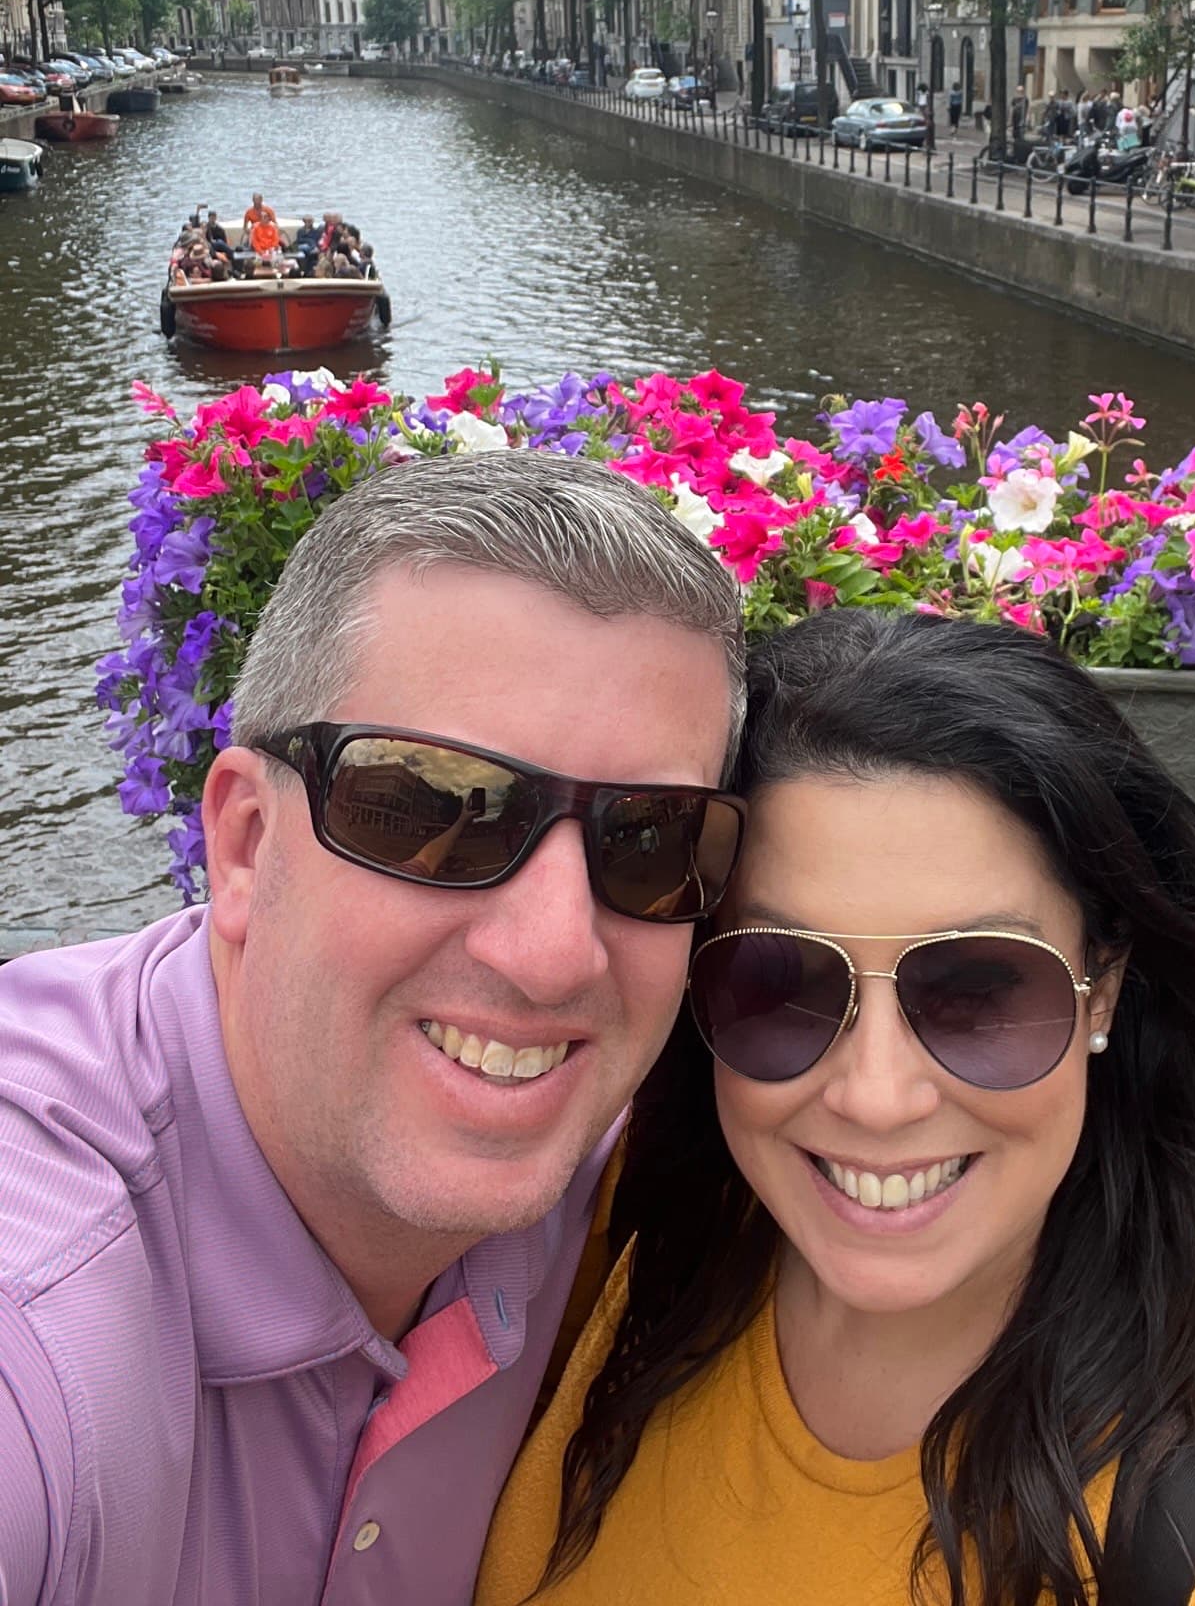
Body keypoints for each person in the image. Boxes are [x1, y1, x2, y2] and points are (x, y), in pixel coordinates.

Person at [476, 611, 1195, 1606]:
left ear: (1102, 986)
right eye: (781, 983)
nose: (875, 1095)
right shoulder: (629, 1240)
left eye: (979, 990)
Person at [0, 451, 745, 1606]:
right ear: (243, 844)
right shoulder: (42, 1312)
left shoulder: (632, 1170)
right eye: (429, 809)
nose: (553, 952)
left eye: (649, 840)